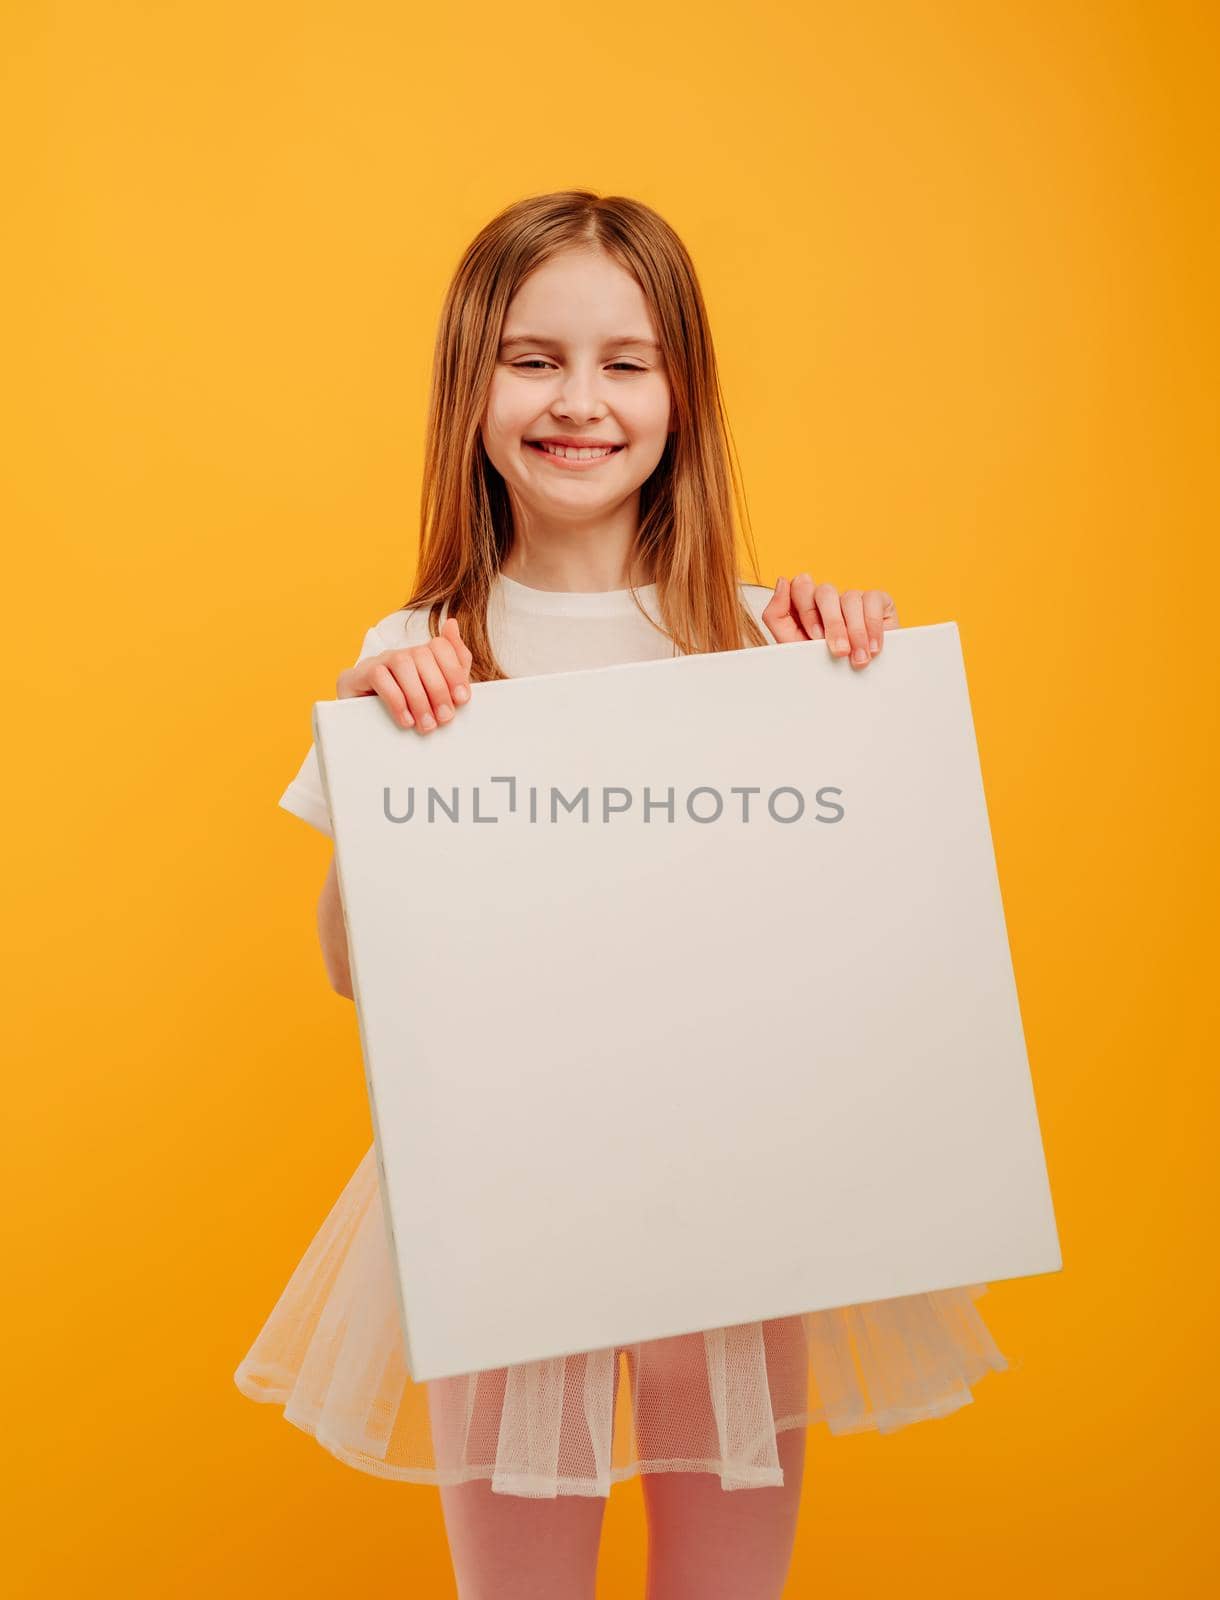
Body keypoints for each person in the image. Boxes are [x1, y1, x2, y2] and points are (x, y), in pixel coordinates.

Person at [234, 189, 1009, 1600]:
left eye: (624, 362)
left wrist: (847, 674)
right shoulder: (419, 651)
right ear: (469, 388)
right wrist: (374, 776)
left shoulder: (770, 633)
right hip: (499, 1194)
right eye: (531, 359)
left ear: (681, 395)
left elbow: (857, 917)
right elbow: (355, 967)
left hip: (737, 1189)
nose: (576, 400)